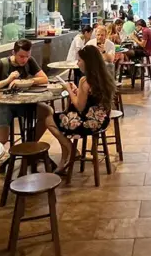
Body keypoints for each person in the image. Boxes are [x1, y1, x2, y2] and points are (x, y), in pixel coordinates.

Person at [36, 44, 115, 172]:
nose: (77, 63)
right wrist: (78, 91)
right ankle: (65, 157)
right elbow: (92, 99)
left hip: (87, 123)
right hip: (102, 120)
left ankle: (72, 150)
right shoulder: (104, 77)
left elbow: (79, 107)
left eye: (79, 60)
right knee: (61, 119)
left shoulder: (85, 80)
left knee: (50, 120)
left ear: (87, 62)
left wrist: (69, 90)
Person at [0, 40, 49, 147]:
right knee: (1, 139)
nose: (24, 59)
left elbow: (44, 79)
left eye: (27, 56)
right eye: (21, 56)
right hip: (2, 105)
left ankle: (29, 145)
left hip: (23, 103)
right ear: (13, 53)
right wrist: (7, 81)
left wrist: (25, 82)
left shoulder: (29, 61)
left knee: (47, 112)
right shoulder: (1, 64)